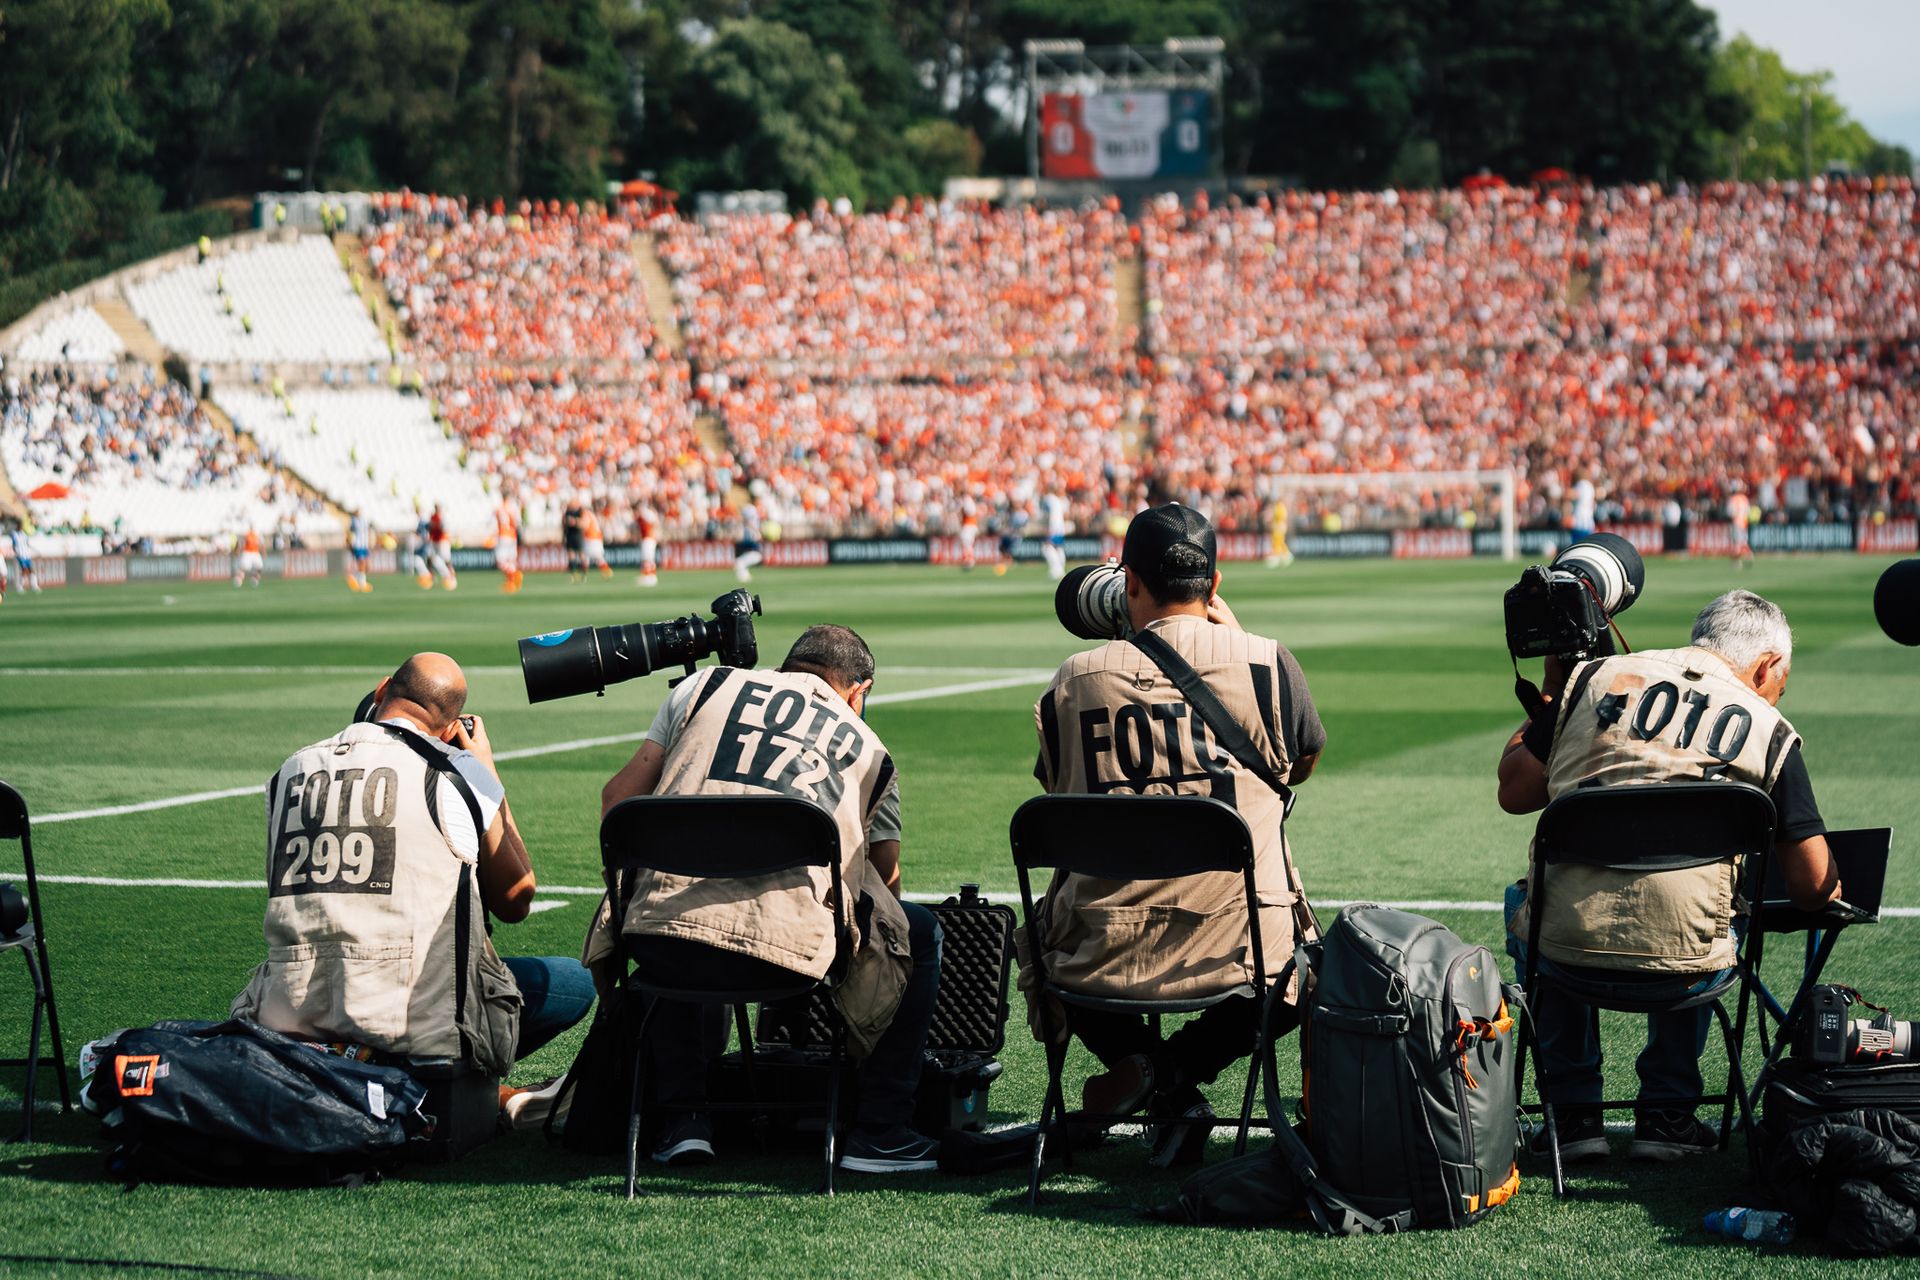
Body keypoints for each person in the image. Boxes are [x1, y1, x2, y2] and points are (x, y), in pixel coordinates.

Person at [1022, 503, 1327, 1167]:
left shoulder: (1073, 679)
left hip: (1103, 949)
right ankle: (1174, 1074)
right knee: (1308, 964)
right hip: (1237, 945)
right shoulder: (1270, 664)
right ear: (1215, 584)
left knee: (1046, 935)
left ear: (1128, 583)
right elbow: (1298, 763)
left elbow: (1056, 786)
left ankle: (1146, 1070)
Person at [1496, 589, 1841, 1162]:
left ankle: (1574, 1118)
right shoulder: (1768, 726)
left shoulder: (1594, 680)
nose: (1780, 692)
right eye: (1783, 680)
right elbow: (1810, 888)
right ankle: (1668, 1115)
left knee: (1527, 897)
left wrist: (1553, 695)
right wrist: (1835, 885)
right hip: (1687, 970)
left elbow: (1513, 792)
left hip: (1565, 955)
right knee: (1708, 906)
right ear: (1767, 666)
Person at [592, 625, 944, 1173]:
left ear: (787, 667)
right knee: (919, 934)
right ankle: (880, 1130)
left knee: (687, 903)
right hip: (793, 959)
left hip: (660, 944)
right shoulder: (871, 749)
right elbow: (887, 884)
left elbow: (618, 802)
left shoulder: (702, 687)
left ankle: (684, 1119)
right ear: (859, 691)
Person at [232, 654, 595, 1098]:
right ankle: (475, 1092)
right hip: (412, 1026)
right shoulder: (454, 769)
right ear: (449, 729)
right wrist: (485, 771)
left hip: (288, 1016)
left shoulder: (289, 771)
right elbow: (517, 898)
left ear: (383, 689)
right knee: (574, 984)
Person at [494, 499, 523, 594]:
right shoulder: (512, 508)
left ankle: (515, 575)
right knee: (510, 561)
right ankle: (511, 583)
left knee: (500, 562)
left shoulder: (499, 509)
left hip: (503, 536)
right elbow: (518, 523)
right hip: (513, 536)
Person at [428, 505, 457, 590]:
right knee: (430, 558)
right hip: (434, 540)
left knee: (446, 559)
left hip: (442, 540)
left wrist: (439, 527)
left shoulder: (442, 517)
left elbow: (444, 529)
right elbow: (431, 528)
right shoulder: (433, 517)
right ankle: (431, 576)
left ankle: (451, 576)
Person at [1042, 492, 1069, 581]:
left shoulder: (1049, 498)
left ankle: (1057, 570)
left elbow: (1050, 515)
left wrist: (1049, 528)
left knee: (1047, 547)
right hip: (1059, 526)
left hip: (1055, 527)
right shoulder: (1058, 500)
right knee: (1058, 548)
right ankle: (1060, 569)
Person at [734, 502, 763, 584]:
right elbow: (738, 538)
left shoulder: (754, 525)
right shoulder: (746, 526)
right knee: (740, 563)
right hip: (751, 552)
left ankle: (745, 580)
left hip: (755, 553)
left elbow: (758, 537)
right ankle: (747, 579)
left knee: (739, 562)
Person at [1728, 485, 1755, 571]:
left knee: (1736, 543)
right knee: (1743, 541)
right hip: (1744, 523)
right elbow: (1748, 511)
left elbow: (1730, 512)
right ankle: (1748, 555)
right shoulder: (1744, 498)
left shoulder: (1733, 499)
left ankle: (1737, 562)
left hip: (1736, 522)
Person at [345, 510, 372, 593]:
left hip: (365, 545)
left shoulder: (364, 520)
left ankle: (354, 578)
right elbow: (349, 532)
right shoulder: (354, 521)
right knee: (362, 563)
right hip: (357, 545)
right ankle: (362, 584)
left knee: (367, 566)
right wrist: (349, 543)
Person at [581, 504, 611, 578]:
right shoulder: (592, 515)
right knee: (587, 557)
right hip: (596, 538)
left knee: (596, 557)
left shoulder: (586, 513)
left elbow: (585, 525)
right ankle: (583, 575)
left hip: (591, 538)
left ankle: (607, 572)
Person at [8, 525, 40, 594]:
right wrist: (16, 552)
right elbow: (14, 544)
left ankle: (35, 586)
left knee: (31, 570)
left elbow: (27, 544)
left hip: (27, 555)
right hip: (21, 555)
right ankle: (20, 587)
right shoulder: (14, 534)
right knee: (24, 570)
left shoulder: (24, 534)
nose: (21, 528)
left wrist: (34, 550)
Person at [562, 498, 586, 582]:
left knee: (581, 555)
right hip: (570, 535)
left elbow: (583, 523)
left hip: (577, 535)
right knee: (571, 555)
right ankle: (572, 574)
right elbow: (564, 523)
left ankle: (583, 574)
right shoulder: (567, 512)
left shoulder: (580, 512)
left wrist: (575, 522)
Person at [636, 503, 660, 588]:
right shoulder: (645, 518)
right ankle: (651, 576)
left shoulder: (645, 517)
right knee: (649, 559)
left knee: (647, 559)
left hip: (648, 539)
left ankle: (648, 576)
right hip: (649, 539)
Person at [411, 513, 436, 589]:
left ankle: (429, 576)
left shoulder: (424, 522)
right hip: (423, 543)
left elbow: (429, 530)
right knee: (422, 560)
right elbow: (419, 532)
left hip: (426, 543)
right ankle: (429, 576)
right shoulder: (421, 523)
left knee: (424, 559)